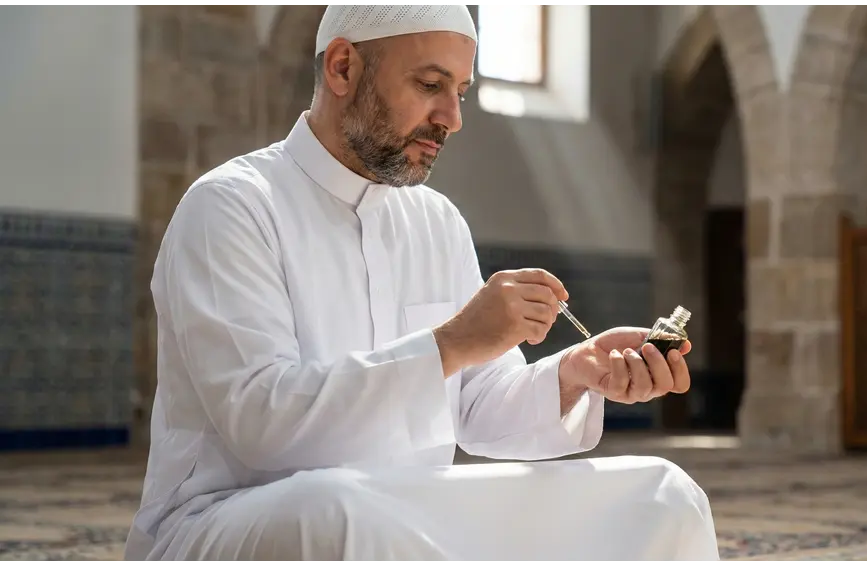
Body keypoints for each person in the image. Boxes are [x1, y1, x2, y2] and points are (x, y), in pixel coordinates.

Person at [124, 2, 719, 564]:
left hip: (405, 509)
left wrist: (575, 374)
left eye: (460, 92)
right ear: (342, 67)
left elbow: (478, 408)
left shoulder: (436, 222)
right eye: (430, 86)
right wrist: (451, 342)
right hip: (226, 520)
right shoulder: (231, 208)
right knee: (340, 514)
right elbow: (262, 426)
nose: (452, 119)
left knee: (660, 493)